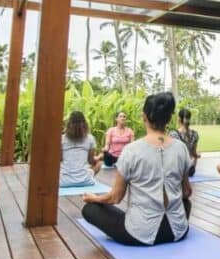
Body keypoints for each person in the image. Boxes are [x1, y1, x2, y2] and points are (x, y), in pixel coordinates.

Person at [81, 92, 193, 246]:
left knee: (89, 209)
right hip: (177, 231)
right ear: (170, 117)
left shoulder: (131, 150)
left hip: (140, 233)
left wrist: (94, 198)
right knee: (186, 204)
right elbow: (187, 192)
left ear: (144, 116)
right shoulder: (181, 148)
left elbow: (115, 198)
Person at [60, 111, 101, 187]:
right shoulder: (90, 138)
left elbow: (60, 159)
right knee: (99, 163)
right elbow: (91, 161)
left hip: (63, 181)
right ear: (85, 124)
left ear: (69, 124)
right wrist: (98, 157)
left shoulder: (62, 139)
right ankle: (86, 178)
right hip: (86, 181)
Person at [170, 107, 200, 177]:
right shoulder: (195, 134)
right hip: (190, 170)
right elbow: (194, 154)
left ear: (179, 119)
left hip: (178, 170)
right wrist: (193, 167)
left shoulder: (173, 134)